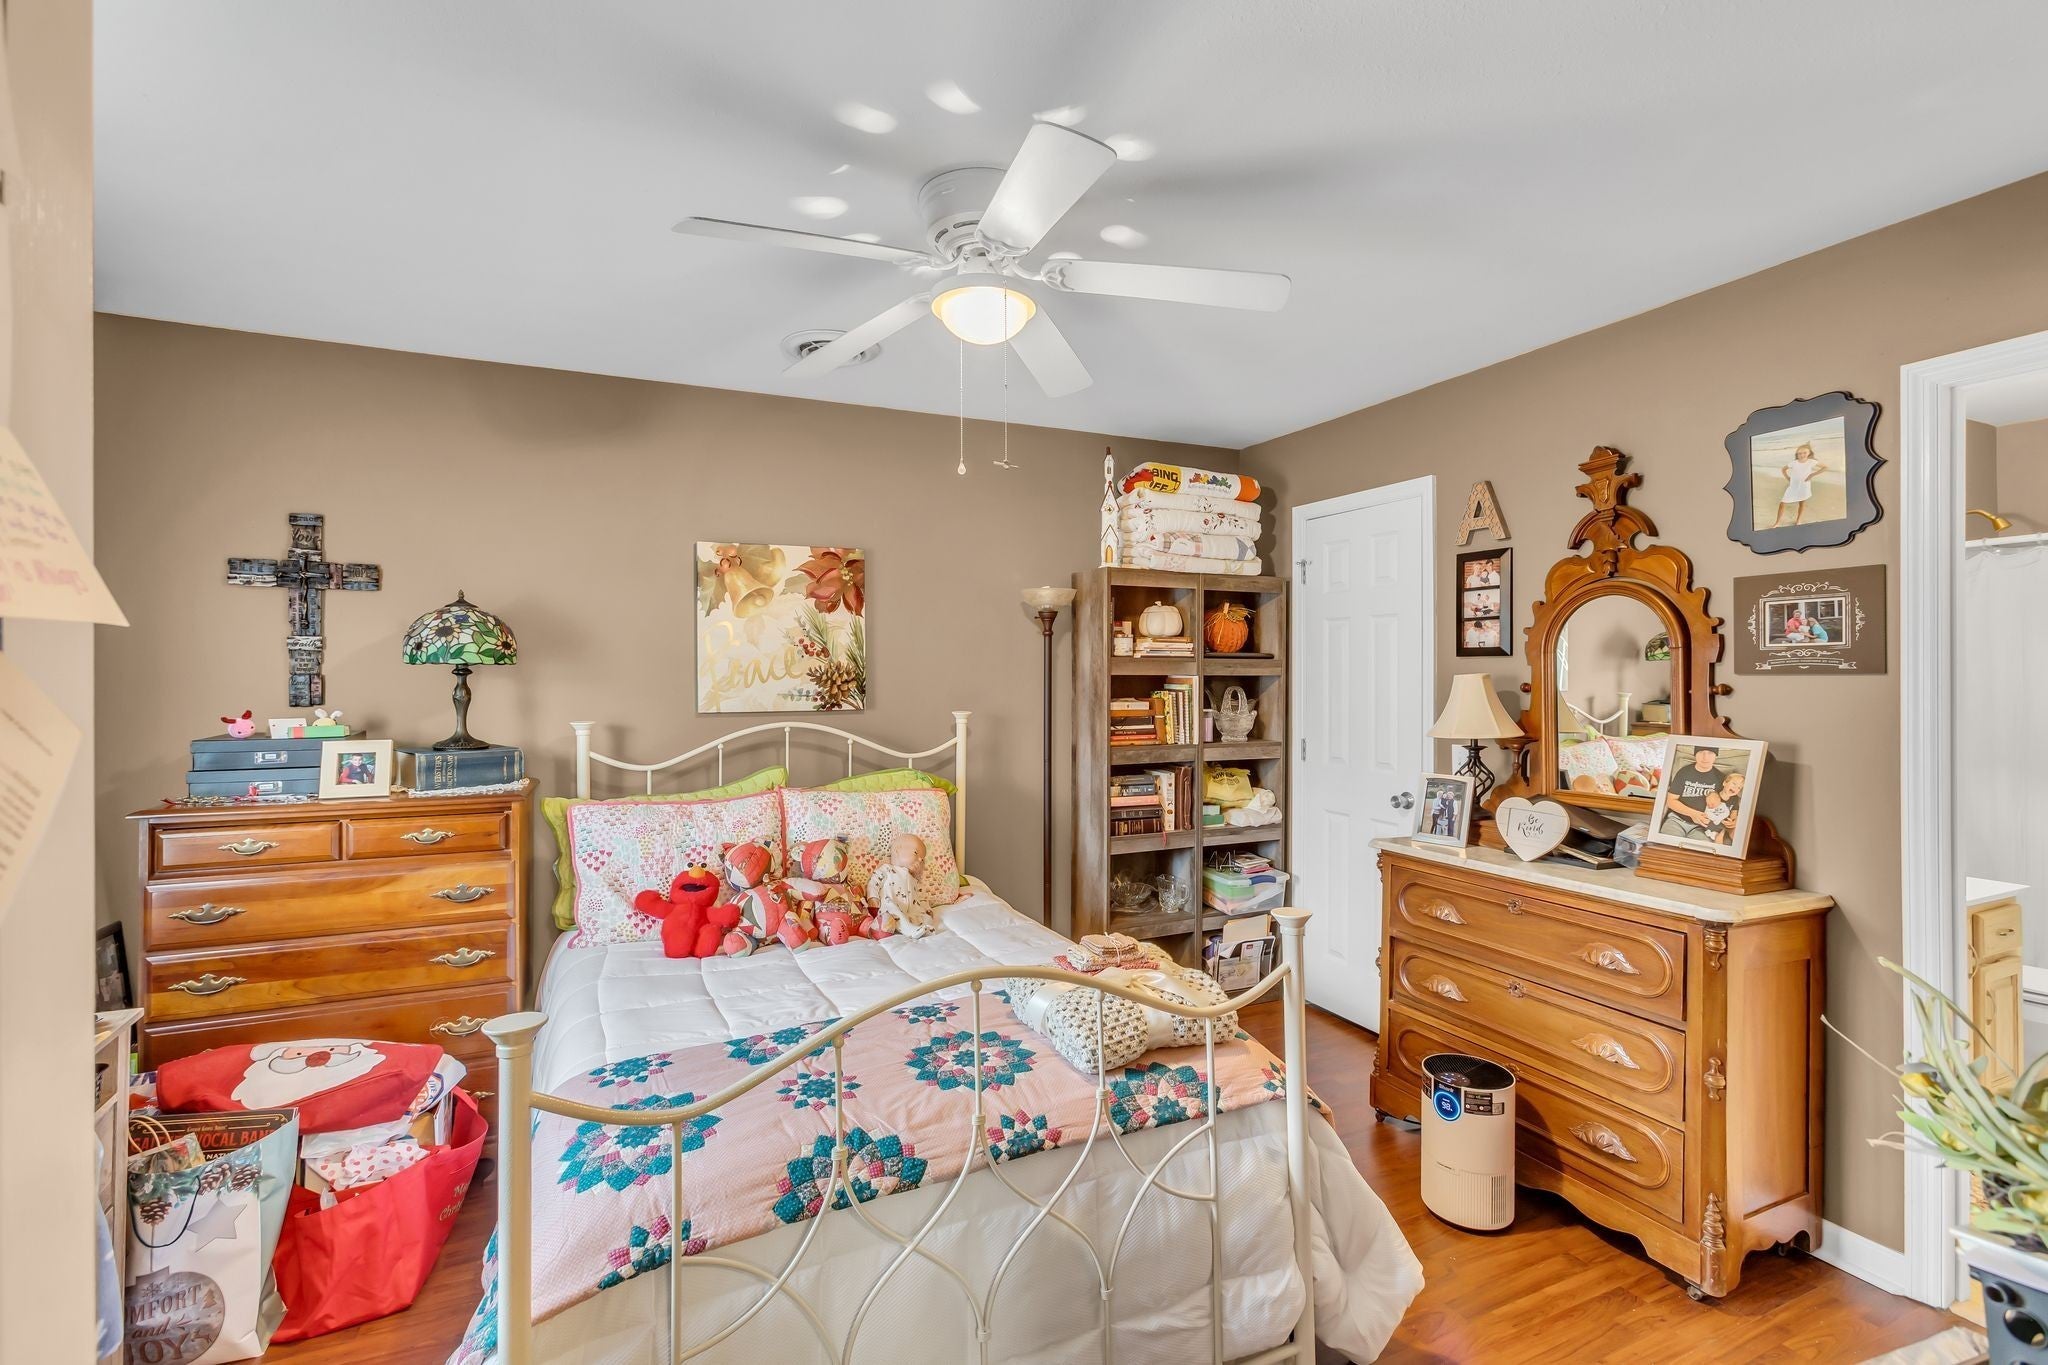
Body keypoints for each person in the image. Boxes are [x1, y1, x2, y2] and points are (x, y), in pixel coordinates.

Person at [1661, 745, 1731, 841]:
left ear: (1716, 755)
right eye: (1701, 752)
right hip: (1677, 820)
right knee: (1667, 845)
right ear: (1695, 754)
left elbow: (1728, 805)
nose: (1705, 757)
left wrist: (1730, 823)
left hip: (1703, 828)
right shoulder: (1684, 772)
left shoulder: (1720, 778)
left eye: (1710, 753)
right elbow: (1671, 801)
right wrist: (1693, 814)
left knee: (1698, 849)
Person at [1771, 443, 1826, 527]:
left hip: (1804, 485)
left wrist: (1812, 475)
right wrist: (1788, 478)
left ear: (1809, 453)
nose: (1802, 455)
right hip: (1793, 486)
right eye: (1799, 453)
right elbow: (1783, 469)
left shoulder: (1811, 462)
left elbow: (1825, 467)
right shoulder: (1794, 463)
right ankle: (1777, 523)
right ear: (1797, 454)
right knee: (1783, 503)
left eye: (1804, 453)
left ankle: (1798, 520)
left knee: (1802, 503)